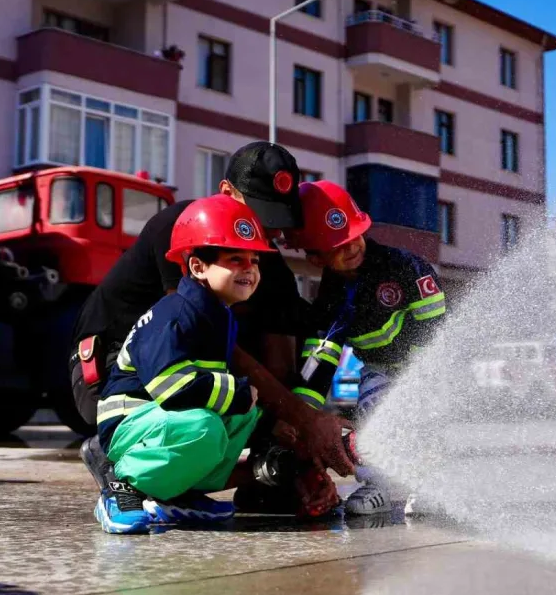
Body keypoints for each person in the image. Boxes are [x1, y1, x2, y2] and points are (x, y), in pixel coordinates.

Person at [69, 142, 355, 519]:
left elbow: (284, 353)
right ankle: (124, 473)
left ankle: (256, 477)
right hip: (115, 378)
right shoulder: (187, 228)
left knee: (262, 376)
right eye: (259, 213)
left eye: (276, 219)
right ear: (226, 193)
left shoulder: (266, 264)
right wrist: (307, 421)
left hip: (190, 376)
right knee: (205, 419)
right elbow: (199, 339)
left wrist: (296, 450)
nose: (266, 230)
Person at [284, 181, 447, 516]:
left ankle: (431, 487)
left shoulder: (404, 267)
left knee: (424, 426)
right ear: (316, 258)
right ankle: (379, 485)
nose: (352, 247)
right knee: (373, 418)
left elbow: (435, 324)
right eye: (338, 245)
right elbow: (322, 354)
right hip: (378, 368)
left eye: (353, 236)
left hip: (426, 365)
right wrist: (304, 412)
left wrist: (419, 376)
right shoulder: (331, 294)